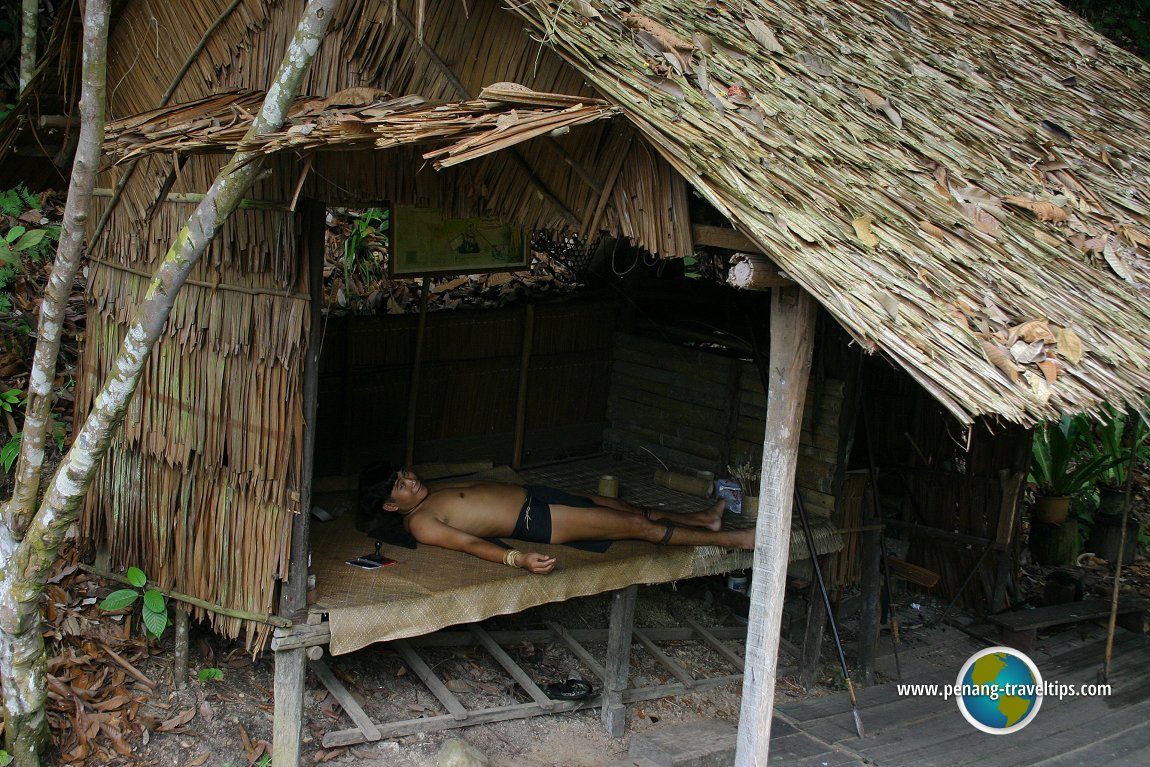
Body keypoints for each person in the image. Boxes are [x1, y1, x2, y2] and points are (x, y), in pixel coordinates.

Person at [360, 465, 755, 574]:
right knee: (638, 528)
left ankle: (705, 519)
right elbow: (469, 543)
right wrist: (518, 559)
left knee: (625, 509)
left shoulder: (431, 491)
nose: (409, 479)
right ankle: (733, 542)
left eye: (403, 473)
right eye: (399, 484)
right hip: (537, 521)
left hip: (536, 497)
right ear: (391, 507)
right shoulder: (421, 522)